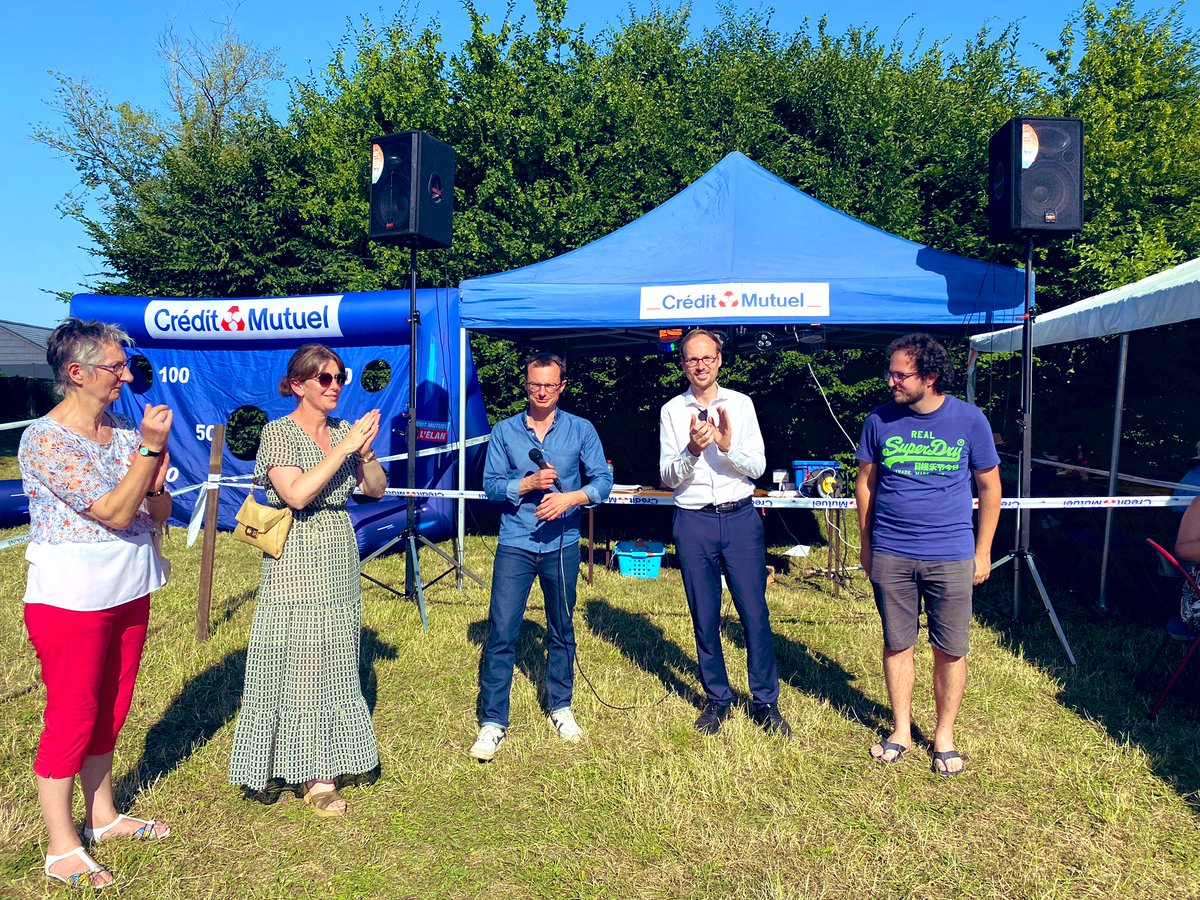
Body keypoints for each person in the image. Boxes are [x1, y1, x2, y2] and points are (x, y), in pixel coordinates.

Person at [19, 318, 174, 888]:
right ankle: (62, 846)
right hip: (72, 600)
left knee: (112, 706)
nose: (127, 377)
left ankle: (102, 816)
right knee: (73, 716)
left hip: (130, 587)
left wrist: (153, 478)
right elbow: (110, 512)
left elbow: (154, 512)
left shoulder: (124, 433)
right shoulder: (46, 439)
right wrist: (149, 454)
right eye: (116, 367)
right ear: (77, 373)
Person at [228, 344, 387, 816]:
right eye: (324, 378)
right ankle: (306, 773)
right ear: (298, 385)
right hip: (296, 554)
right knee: (298, 658)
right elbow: (296, 494)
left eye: (340, 377)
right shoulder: (278, 433)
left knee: (336, 657)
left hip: (338, 549)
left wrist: (367, 452)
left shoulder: (343, 432)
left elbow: (375, 489)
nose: (335, 385)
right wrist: (343, 449)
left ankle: (326, 763)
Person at [855, 333, 1001, 776]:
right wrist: (866, 543)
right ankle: (900, 729)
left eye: (901, 374)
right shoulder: (878, 421)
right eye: (891, 372)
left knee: (950, 649)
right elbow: (866, 483)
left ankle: (943, 736)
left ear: (931, 376)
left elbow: (990, 487)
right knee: (898, 643)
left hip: (951, 554)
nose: (891, 382)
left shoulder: (969, 420)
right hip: (892, 552)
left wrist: (983, 551)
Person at [470, 353, 612, 761]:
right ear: (526, 386)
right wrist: (526, 483)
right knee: (501, 631)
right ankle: (493, 721)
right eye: (535, 385)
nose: (543, 392)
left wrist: (571, 497)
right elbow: (491, 485)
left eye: (550, 385)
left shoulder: (581, 430)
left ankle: (560, 705)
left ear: (562, 386)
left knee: (561, 628)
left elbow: (603, 481)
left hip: (562, 543)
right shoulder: (504, 431)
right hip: (516, 541)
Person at [658, 328, 790, 738]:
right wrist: (693, 451)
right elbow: (667, 478)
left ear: (719, 360)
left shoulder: (742, 404)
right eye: (691, 359)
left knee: (755, 613)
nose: (700, 365)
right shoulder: (671, 411)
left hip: (740, 518)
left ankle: (765, 701)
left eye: (707, 358)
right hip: (693, 519)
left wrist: (727, 445)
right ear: (682, 364)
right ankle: (717, 698)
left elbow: (758, 468)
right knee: (704, 614)